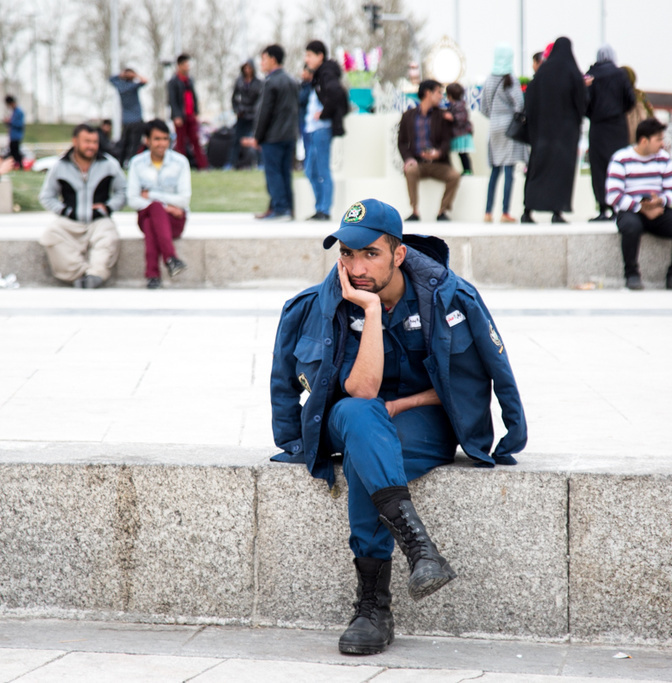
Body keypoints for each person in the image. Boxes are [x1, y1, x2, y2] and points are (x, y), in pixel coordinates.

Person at [270, 198, 527, 656]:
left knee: (365, 454)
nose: (357, 267)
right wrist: (370, 311)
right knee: (358, 415)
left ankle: (373, 607)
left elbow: (474, 378)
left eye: (371, 253)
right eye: (347, 254)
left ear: (399, 254)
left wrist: (509, 434)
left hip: (422, 423)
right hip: (348, 418)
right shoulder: (325, 304)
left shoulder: (447, 298)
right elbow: (360, 390)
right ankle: (420, 549)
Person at [606, 117, 672, 291]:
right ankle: (632, 275)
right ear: (644, 140)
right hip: (631, 210)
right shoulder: (621, 158)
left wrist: (661, 201)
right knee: (631, 227)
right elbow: (613, 195)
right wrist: (640, 207)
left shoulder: (663, 158)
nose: (662, 144)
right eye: (658, 139)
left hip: (658, 209)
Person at [38, 123, 126, 289]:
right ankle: (80, 274)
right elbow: (46, 196)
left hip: (99, 221)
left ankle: (96, 274)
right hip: (70, 221)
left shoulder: (109, 164)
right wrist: (64, 211)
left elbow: (122, 191)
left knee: (108, 238)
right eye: (87, 142)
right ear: (75, 141)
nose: (91, 146)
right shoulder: (60, 166)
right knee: (50, 236)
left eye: (94, 142)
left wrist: (108, 208)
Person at [521, 36, 586, 224]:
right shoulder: (572, 72)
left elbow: (530, 99)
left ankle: (527, 211)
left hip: (542, 133)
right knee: (560, 173)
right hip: (565, 135)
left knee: (537, 171)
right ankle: (557, 212)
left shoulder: (542, 73)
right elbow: (581, 102)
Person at [126, 119, 191, 290]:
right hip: (160, 213)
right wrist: (166, 206)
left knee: (151, 221)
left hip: (176, 219)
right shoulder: (136, 163)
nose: (161, 143)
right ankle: (171, 258)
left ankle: (153, 275)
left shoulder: (180, 162)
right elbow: (132, 199)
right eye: (157, 139)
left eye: (165, 139)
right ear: (147, 140)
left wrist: (152, 195)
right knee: (153, 210)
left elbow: (184, 200)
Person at [243, 44, 299, 221]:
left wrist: (257, 136)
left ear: (273, 59)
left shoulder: (271, 82)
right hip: (289, 135)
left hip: (273, 137)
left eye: (264, 59)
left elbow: (264, 112)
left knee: (273, 173)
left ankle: (280, 209)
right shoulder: (292, 81)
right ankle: (286, 208)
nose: (261, 63)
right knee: (285, 173)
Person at [584, 45, 635, 221]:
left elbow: (584, 103)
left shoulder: (591, 75)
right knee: (619, 166)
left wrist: (594, 115)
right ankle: (618, 206)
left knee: (599, 168)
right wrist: (619, 112)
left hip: (598, 128)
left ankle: (602, 208)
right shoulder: (620, 74)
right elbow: (631, 100)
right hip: (618, 128)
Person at [397, 79, 459, 222]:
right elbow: (401, 143)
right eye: (438, 92)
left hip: (438, 163)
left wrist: (438, 153)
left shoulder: (442, 115)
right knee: (410, 171)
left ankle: (442, 211)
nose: (441, 96)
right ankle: (414, 211)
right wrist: (409, 159)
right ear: (428, 93)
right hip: (418, 163)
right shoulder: (408, 116)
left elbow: (446, 141)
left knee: (454, 176)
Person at [481, 45, 528, 224]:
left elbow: (483, 108)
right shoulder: (510, 79)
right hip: (509, 127)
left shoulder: (489, 80)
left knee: (495, 170)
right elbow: (519, 104)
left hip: (493, 127)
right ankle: (505, 212)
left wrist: (495, 116)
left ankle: (487, 212)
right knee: (509, 169)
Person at [304, 40, 348, 221]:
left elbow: (336, 92)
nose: (306, 59)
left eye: (309, 55)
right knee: (310, 170)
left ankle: (324, 209)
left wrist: (324, 114)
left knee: (322, 169)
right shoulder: (320, 73)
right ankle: (320, 207)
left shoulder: (326, 72)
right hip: (315, 129)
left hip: (322, 129)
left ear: (320, 56)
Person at [167, 54, 208, 170]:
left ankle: (203, 166)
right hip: (180, 117)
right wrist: (176, 116)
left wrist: (196, 112)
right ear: (179, 65)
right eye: (185, 64)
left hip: (191, 116)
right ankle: (181, 167)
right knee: (180, 143)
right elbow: (172, 100)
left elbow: (194, 97)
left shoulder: (190, 80)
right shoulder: (173, 82)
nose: (187, 67)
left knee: (196, 140)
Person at [228, 59, 262, 170]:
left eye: (249, 68)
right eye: (245, 68)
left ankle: (260, 163)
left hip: (253, 116)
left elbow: (260, 100)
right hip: (242, 116)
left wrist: (254, 111)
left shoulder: (258, 83)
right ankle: (231, 163)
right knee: (236, 139)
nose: (247, 70)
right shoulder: (239, 81)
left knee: (256, 140)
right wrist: (237, 110)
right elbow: (234, 98)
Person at [109, 67, 148, 165]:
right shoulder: (133, 86)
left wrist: (121, 74)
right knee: (134, 144)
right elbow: (145, 80)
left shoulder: (120, 85)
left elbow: (111, 79)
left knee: (125, 143)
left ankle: (121, 162)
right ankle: (131, 162)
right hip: (136, 120)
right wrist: (135, 75)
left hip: (126, 120)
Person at [445, 82, 473, 176]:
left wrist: (452, 118)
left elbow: (462, 118)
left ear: (449, 95)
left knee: (463, 153)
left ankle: (467, 170)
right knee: (460, 153)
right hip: (458, 134)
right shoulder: (456, 105)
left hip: (461, 134)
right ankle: (464, 170)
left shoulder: (459, 106)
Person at [622, 66, 654, 145]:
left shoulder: (616, 97)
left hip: (626, 140)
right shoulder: (640, 96)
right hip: (639, 141)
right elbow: (649, 115)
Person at [4, 95, 25, 169]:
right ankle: (16, 166)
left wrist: (10, 121)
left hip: (16, 135)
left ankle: (20, 166)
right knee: (13, 151)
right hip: (12, 135)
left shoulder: (19, 112)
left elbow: (20, 124)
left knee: (15, 152)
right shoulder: (14, 112)